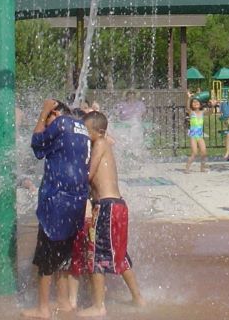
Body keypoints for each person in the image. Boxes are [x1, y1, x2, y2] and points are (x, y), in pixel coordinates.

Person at [22, 99, 91, 319]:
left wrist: (42, 113)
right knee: (63, 255)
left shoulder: (60, 123)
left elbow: (36, 144)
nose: (47, 122)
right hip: (77, 201)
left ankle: (42, 308)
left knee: (46, 257)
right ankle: (63, 302)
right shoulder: (81, 128)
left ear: (55, 112)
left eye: (48, 117)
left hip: (57, 201)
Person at [73, 110, 144, 316]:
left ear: (99, 132)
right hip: (114, 206)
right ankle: (138, 298)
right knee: (119, 254)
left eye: (86, 131)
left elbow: (89, 174)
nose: (83, 135)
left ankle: (98, 306)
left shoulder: (101, 144)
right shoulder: (103, 143)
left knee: (96, 254)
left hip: (107, 207)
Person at [185, 97, 208, 172]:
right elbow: (187, 107)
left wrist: (212, 105)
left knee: (204, 153)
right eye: (193, 102)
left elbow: (210, 112)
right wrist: (189, 98)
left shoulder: (202, 112)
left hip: (200, 136)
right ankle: (187, 167)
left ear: (200, 104)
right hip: (193, 136)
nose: (195, 103)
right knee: (194, 152)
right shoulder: (191, 112)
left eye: (197, 102)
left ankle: (202, 168)